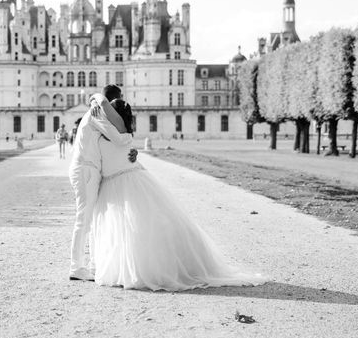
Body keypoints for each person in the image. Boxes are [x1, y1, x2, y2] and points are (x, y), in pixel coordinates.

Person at [92, 99, 267, 291]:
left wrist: (95, 100)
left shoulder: (108, 131)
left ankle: (134, 270)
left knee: (130, 229)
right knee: (136, 227)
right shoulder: (121, 132)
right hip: (126, 179)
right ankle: (134, 268)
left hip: (117, 182)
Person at [68, 84, 137, 282]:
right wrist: (130, 138)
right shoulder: (97, 112)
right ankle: (76, 266)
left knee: (91, 218)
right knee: (84, 218)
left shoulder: (96, 113)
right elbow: (118, 138)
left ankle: (93, 264)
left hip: (90, 169)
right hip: (86, 169)